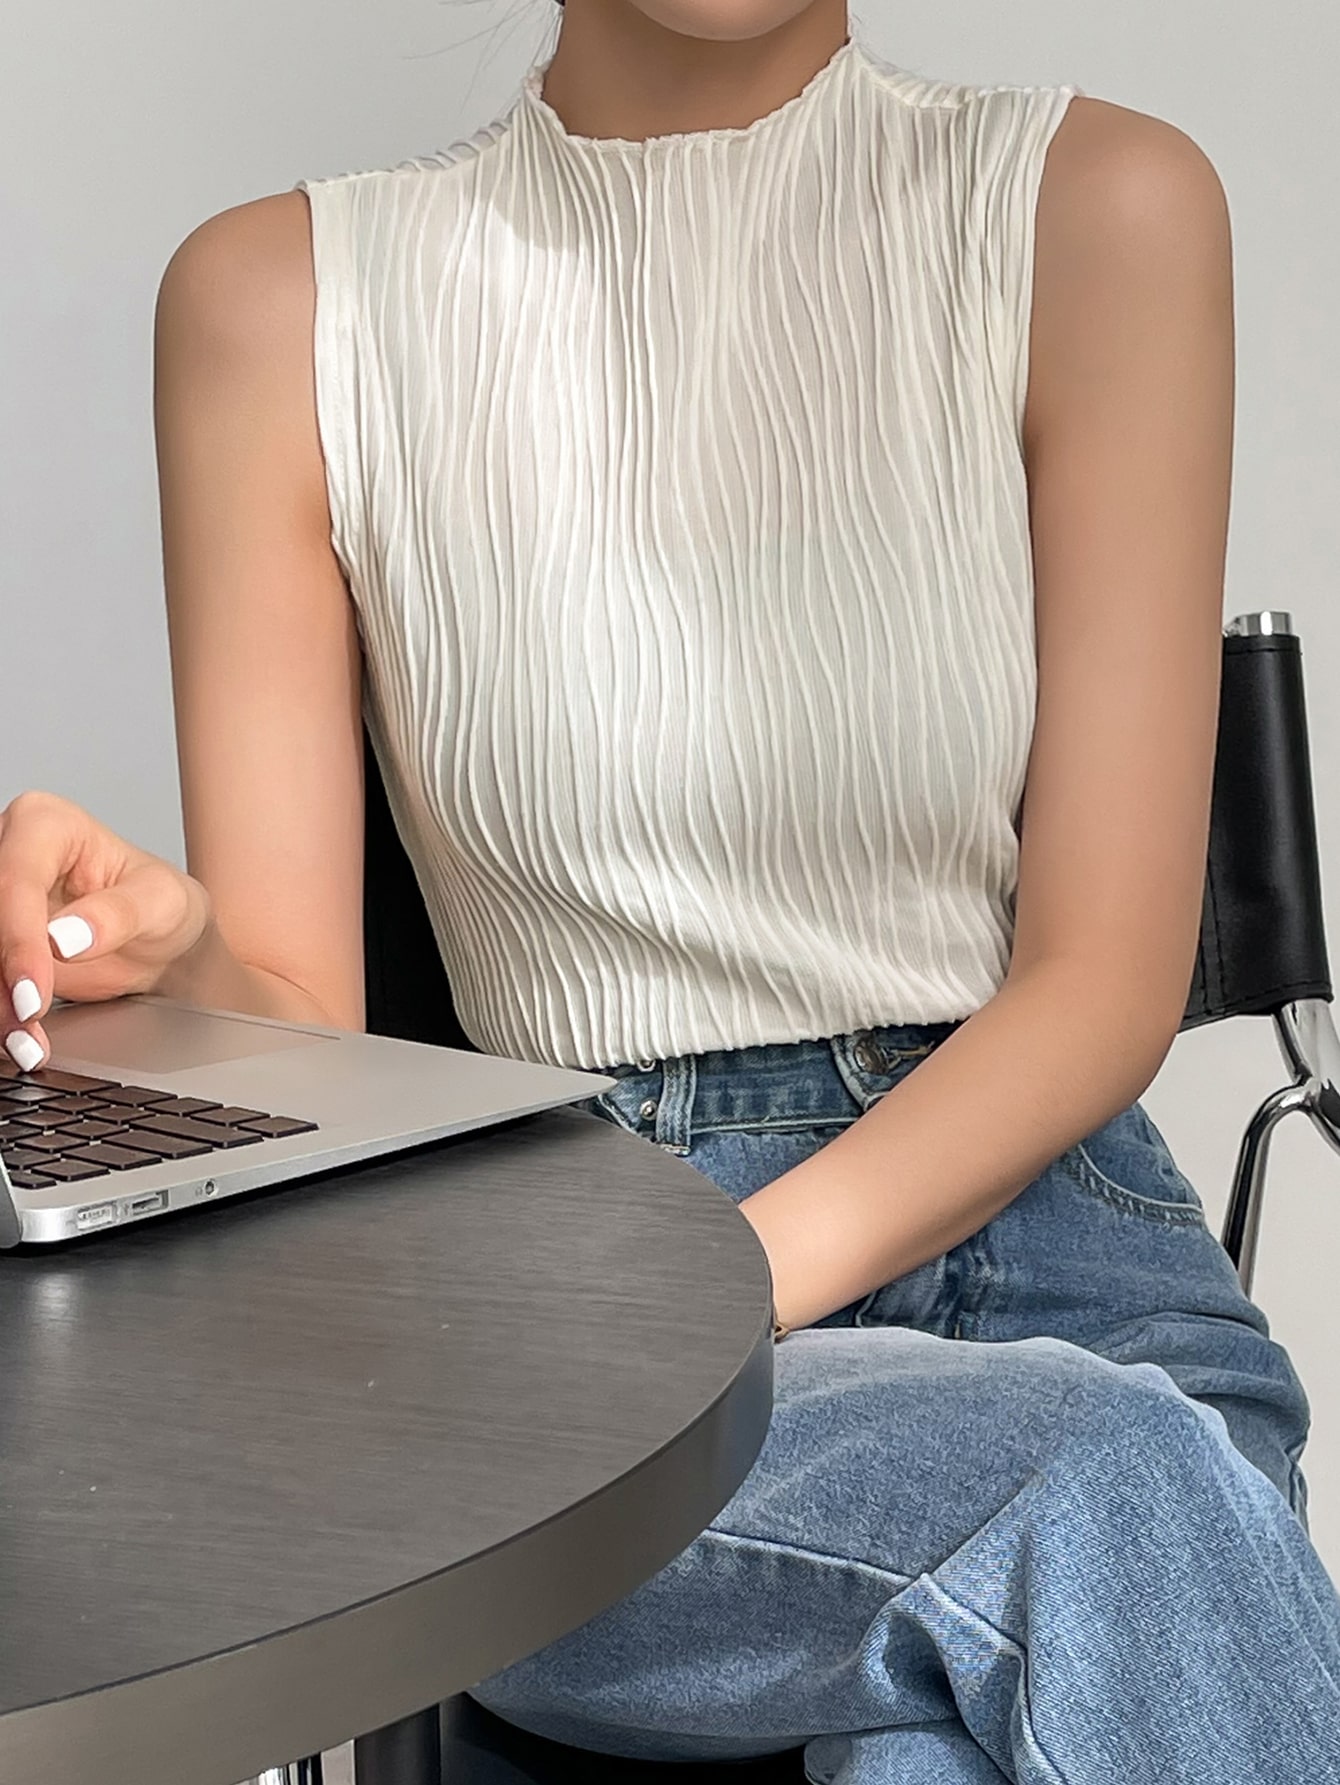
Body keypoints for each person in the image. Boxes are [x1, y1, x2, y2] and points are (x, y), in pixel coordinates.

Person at [3, 0, 1339, 1777]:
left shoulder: (1097, 209)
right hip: (563, 1330)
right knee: (1096, 1485)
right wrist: (172, 973)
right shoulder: (283, 300)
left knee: (1019, 1615)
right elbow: (306, 1035)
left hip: (1071, 1268)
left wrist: (732, 1281)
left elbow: (1104, 977)